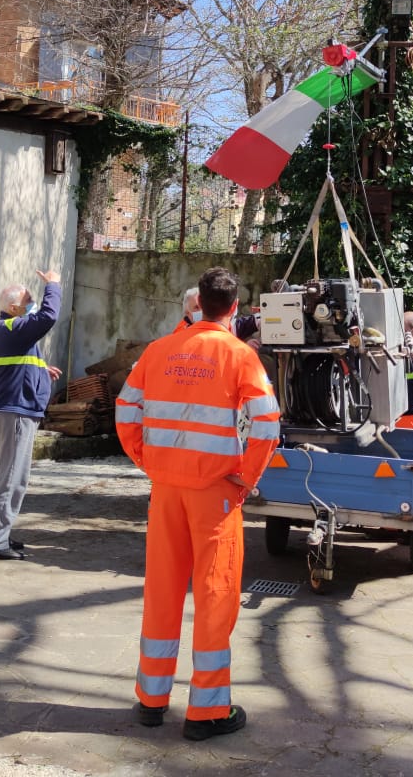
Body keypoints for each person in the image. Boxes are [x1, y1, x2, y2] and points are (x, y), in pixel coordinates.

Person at [117, 266, 280, 741]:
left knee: (162, 590)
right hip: (216, 494)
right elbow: (267, 427)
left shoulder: (158, 350)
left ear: (196, 304)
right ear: (233, 308)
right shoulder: (240, 357)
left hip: (166, 490)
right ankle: (207, 711)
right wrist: (243, 480)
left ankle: (151, 699)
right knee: (215, 594)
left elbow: (126, 410)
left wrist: (149, 462)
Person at [0, 269, 63, 561]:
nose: (33, 303)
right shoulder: (12, 328)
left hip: (8, 408)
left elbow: (14, 364)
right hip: (15, 412)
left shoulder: (6, 330)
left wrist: (41, 369)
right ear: (14, 307)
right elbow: (48, 317)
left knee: (9, 476)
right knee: (12, 479)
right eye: (28, 300)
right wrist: (53, 285)